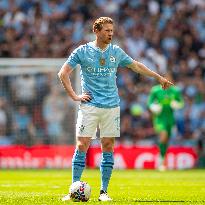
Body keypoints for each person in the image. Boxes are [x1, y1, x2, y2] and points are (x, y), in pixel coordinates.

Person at [58, 17, 173, 201]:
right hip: (89, 106)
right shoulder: (82, 51)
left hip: (111, 106)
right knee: (81, 145)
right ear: (96, 31)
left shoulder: (116, 51)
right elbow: (63, 73)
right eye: (106, 30)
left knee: (108, 146)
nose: (110, 34)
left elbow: (136, 65)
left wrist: (157, 77)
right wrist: (74, 96)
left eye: (112, 30)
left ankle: (103, 192)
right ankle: (73, 189)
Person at [147, 72, 184, 171]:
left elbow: (181, 102)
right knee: (163, 136)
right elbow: (149, 103)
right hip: (159, 118)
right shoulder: (155, 90)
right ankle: (161, 159)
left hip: (170, 118)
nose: (167, 80)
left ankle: (163, 159)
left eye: (169, 78)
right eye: (165, 78)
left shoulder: (175, 91)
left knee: (166, 139)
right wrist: (154, 107)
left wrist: (176, 104)